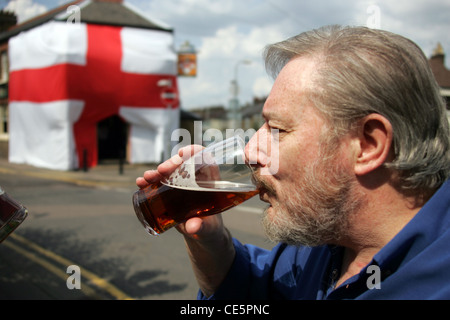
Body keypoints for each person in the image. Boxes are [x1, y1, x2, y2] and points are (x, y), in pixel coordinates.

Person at [136, 25, 450, 299]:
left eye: (277, 129)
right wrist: (210, 241)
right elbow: (255, 293)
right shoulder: (322, 234)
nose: (250, 152)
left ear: (368, 145)